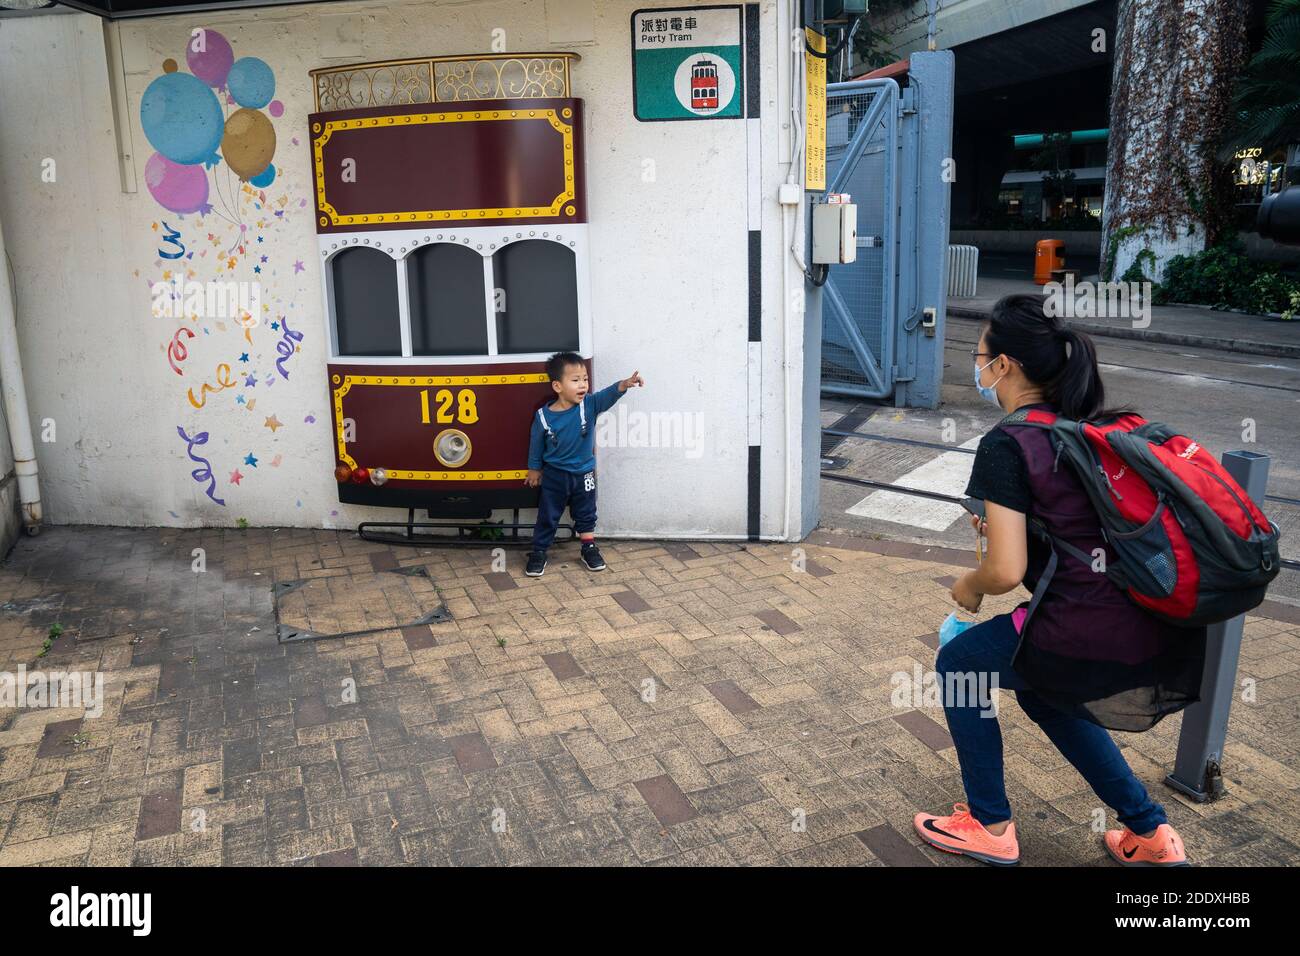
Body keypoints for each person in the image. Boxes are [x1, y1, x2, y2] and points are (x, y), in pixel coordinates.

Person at [913, 294, 1199, 867]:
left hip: (1075, 618)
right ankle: (1151, 834)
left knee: (959, 664)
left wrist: (970, 586)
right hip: (1131, 612)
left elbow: (1006, 571)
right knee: (1048, 697)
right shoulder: (1079, 430)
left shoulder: (1007, 440)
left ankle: (990, 825)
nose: (976, 367)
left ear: (1006, 365)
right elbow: (1075, 527)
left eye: (979, 355)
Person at [524, 351, 644, 577]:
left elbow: (608, 394)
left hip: (584, 474)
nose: (583, 385)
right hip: (554, 475)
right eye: (576, 380)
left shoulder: (589, 405)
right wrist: (534, 469)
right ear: (558, 386)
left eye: (585, 379)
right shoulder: (543, 417)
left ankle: (588, 547)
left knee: (586, 512)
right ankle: (539, 551)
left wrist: (625, 384)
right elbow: (536, 445)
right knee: (548, 514)